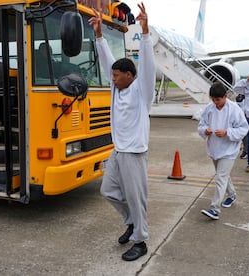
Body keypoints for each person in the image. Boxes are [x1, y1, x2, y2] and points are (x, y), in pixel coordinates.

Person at [89, 2, 155, 261]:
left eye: (117, 75)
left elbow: (148, 66)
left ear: (130, 75)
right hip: (118, 151)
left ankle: (141, 241)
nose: (112, 78)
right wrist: (99, 35)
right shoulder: (117, 88)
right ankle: (131, 222)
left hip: (134, 153)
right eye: (113, 75)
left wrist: (146, 32)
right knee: (108, 190)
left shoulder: (142, 92)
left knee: (136, 198)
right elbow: (107, 61)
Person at [198, 81, 249, 220]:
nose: (215, 102)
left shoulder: (234, 109)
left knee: (220, 177)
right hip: (214, 148)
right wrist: (205, 130)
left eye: (218, 99)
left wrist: (227, 132)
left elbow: (244, 129)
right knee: (223, 175)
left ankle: (214, 209)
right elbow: (201, 125)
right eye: (213, 99)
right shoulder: (209, 108)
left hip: (229, 150)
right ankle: (232, 195)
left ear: (225, 96)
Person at [236, 93, 248, 159]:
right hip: (242, 119)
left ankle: (246, 151)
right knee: (244, 136)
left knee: (247, 136)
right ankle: (245, 150)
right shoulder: (240, 99)